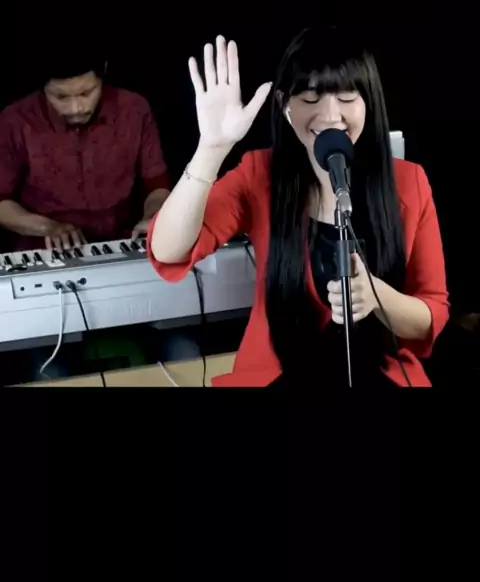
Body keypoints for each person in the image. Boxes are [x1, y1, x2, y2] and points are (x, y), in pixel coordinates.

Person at [147, 29, 449, 388]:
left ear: (369, 101)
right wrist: (211, 148)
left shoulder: (410, 183)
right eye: (310, 96)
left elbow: (431, 313)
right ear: (285, 105)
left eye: (347, 96)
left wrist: (378, 297)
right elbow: (168, 250)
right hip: (279, 377)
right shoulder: (259, 174)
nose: (330, 114)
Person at [0, 57, 170, 252]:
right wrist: (48, 228)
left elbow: (157, 186)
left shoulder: (134, 109)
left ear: (102, 74)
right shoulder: (15, 121)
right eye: (61, 97)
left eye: (86, 93)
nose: (76, 108)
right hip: (45, 248)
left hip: (122, 241)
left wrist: (152, 218)